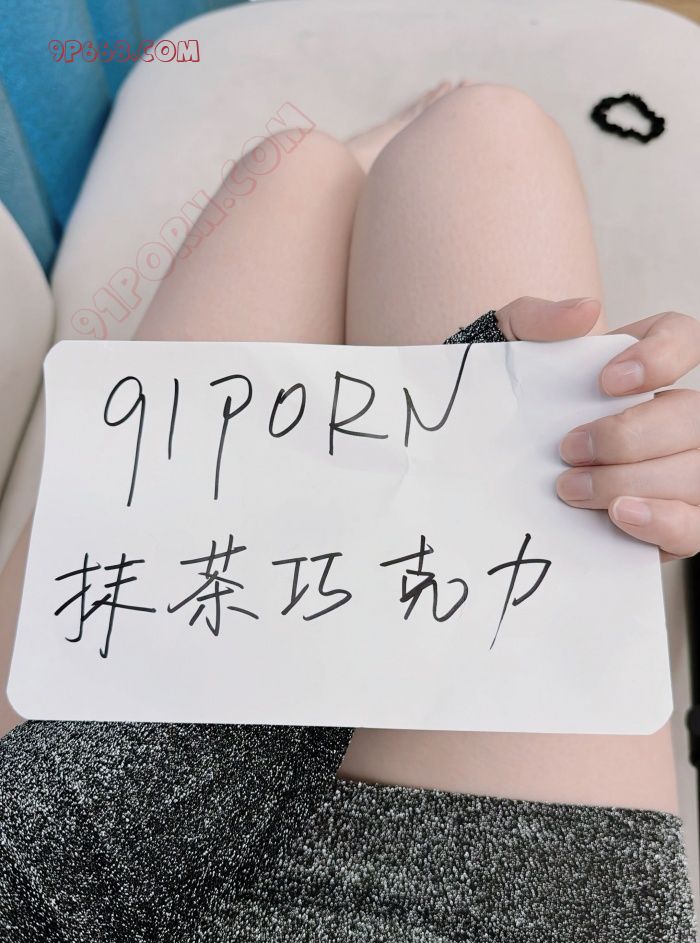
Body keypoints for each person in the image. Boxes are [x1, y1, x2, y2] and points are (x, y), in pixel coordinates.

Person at [1, 81, 698, 941]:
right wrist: (446, 488)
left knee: (294, 166)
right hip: (501, 885)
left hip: (49, 857)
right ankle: (355, 181)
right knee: (481, 135)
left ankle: (347, 175)